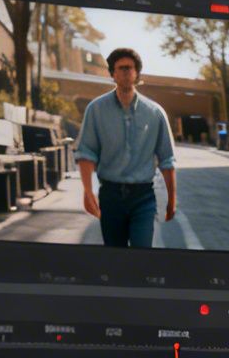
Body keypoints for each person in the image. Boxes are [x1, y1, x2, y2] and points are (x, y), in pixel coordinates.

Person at [75, 47, 178, 248]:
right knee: (115, 257)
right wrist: (88, 193)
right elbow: (86, 153)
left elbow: (167, 159)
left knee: (142, 253)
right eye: (120, 68)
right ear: (112, 74)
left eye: (129, 68)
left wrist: (172, 199)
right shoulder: (96, 109)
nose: (125, 72)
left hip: (143, 196)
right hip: (111, 196)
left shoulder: (155, 113)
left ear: (137, 73)